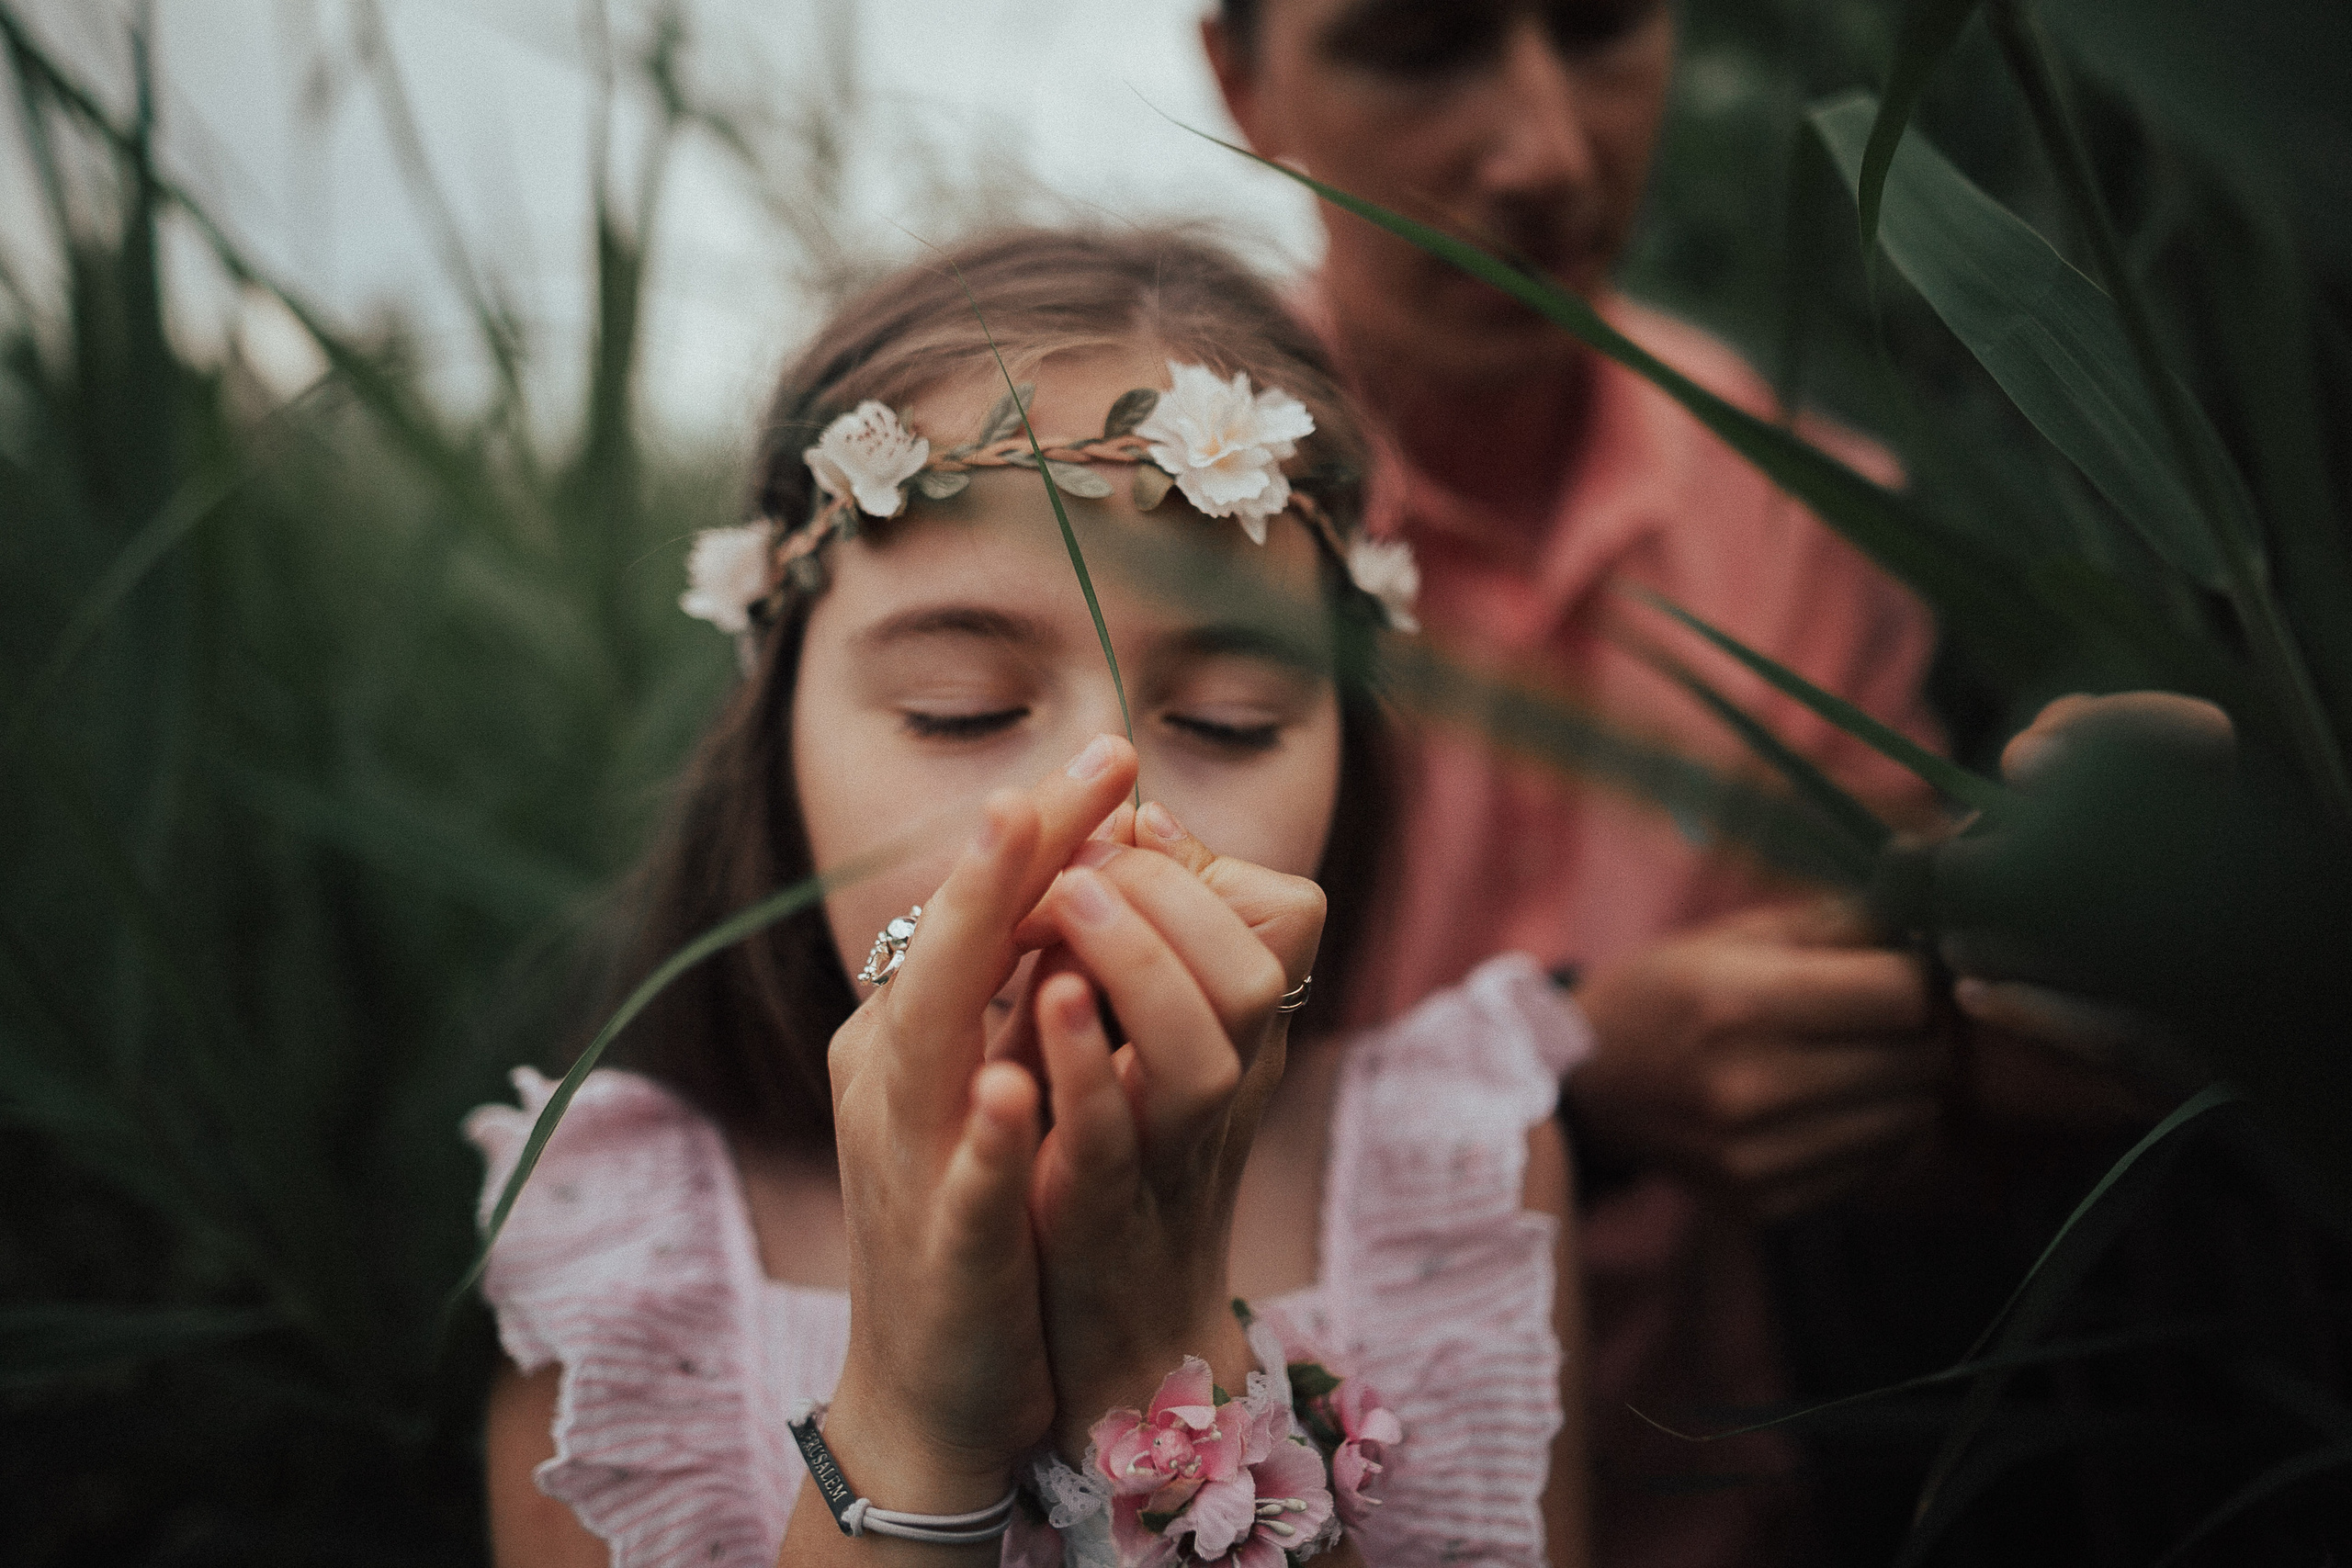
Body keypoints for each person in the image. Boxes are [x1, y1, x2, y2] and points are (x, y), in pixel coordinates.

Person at [470, 229, 1595, 1568]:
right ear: (777, 749)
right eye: (962, 712)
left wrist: (1155, 1348)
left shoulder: (1456, 1180)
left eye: (1231, 723)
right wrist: (911, 1421)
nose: (1100, 817)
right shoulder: (624, 1251)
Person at [1203, 4, 1953, 1563]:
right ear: (1241, 81)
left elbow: (1928, 1128)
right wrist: (1564, 1086)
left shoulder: (1807, 516)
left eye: (1607, 27)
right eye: (1418, 50)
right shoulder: (1146, 530)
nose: (1547, 152)